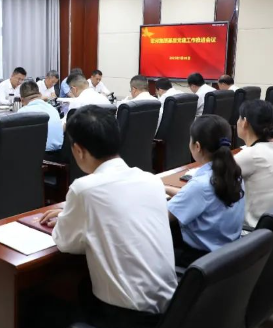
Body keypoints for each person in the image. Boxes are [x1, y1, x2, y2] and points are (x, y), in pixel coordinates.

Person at [38, 106, 177, 328]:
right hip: (170, 308)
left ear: (78, 150)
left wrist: (71, 219)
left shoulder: (84, 189)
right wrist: (75, 215)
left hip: (126, 317)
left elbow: (65, 243)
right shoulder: (150, 179)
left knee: (43, 304)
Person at [166, 115, 245, 267]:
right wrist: (165, 188)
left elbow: (163, 216)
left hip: (200, 259)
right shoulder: (232, 173)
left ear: (197, 146)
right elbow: (198, 197)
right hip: (227, 251)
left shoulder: (200, 185)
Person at [234, 100, 273, 228]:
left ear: (245, 122)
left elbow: (211, 178)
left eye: (239, 118)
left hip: (252, 231)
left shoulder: (251, 155)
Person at [17, 81, 63, 159]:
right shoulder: (52, 108)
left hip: (38, 158)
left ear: (22, 100)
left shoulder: (22, 112)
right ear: (40, 94)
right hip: (59, 154)